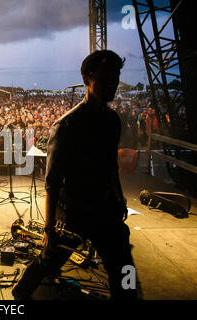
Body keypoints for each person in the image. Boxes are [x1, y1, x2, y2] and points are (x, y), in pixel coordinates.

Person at [12, 50, 138, 300]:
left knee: (124, 268)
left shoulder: (113, 120)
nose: (112, 86)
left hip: (106, 208)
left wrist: (120, 198)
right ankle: (20, 296)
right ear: (86, 79)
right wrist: (49, 228)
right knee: (47, 261)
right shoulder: (66, 125)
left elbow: (110, 164)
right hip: (74, 212)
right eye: (105, 80)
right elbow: (52, 182)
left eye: (115, 79)